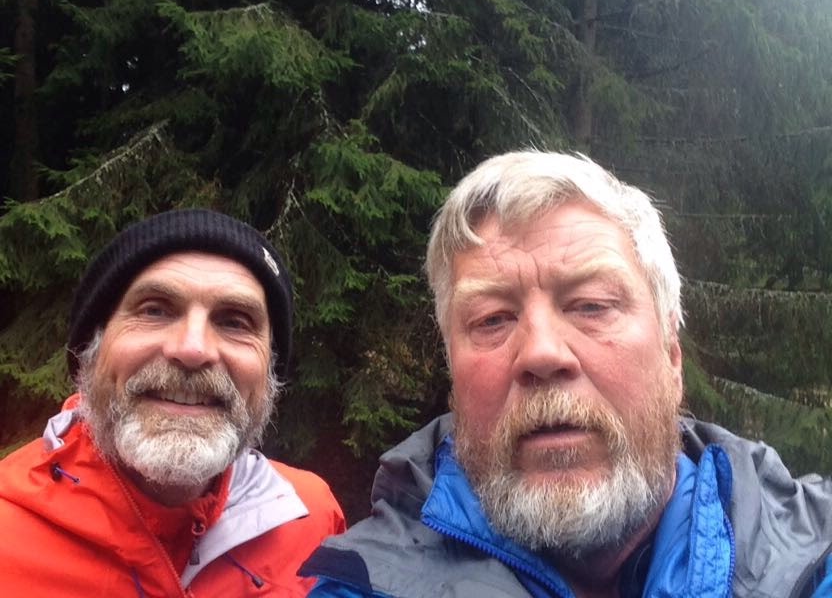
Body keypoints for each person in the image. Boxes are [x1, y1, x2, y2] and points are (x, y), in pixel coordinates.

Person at [300, 151, 832, 597]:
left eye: (592, 305)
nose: (541, 352)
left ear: (672, 355)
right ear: (453, 374)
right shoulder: (361, 583)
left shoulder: (816, 561)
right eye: (492, 319)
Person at [0, 209, 345, 597]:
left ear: (269, 373)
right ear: (89, 350)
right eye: (155, 310)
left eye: (234, 321)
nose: (193, 349)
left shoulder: (311, 518)